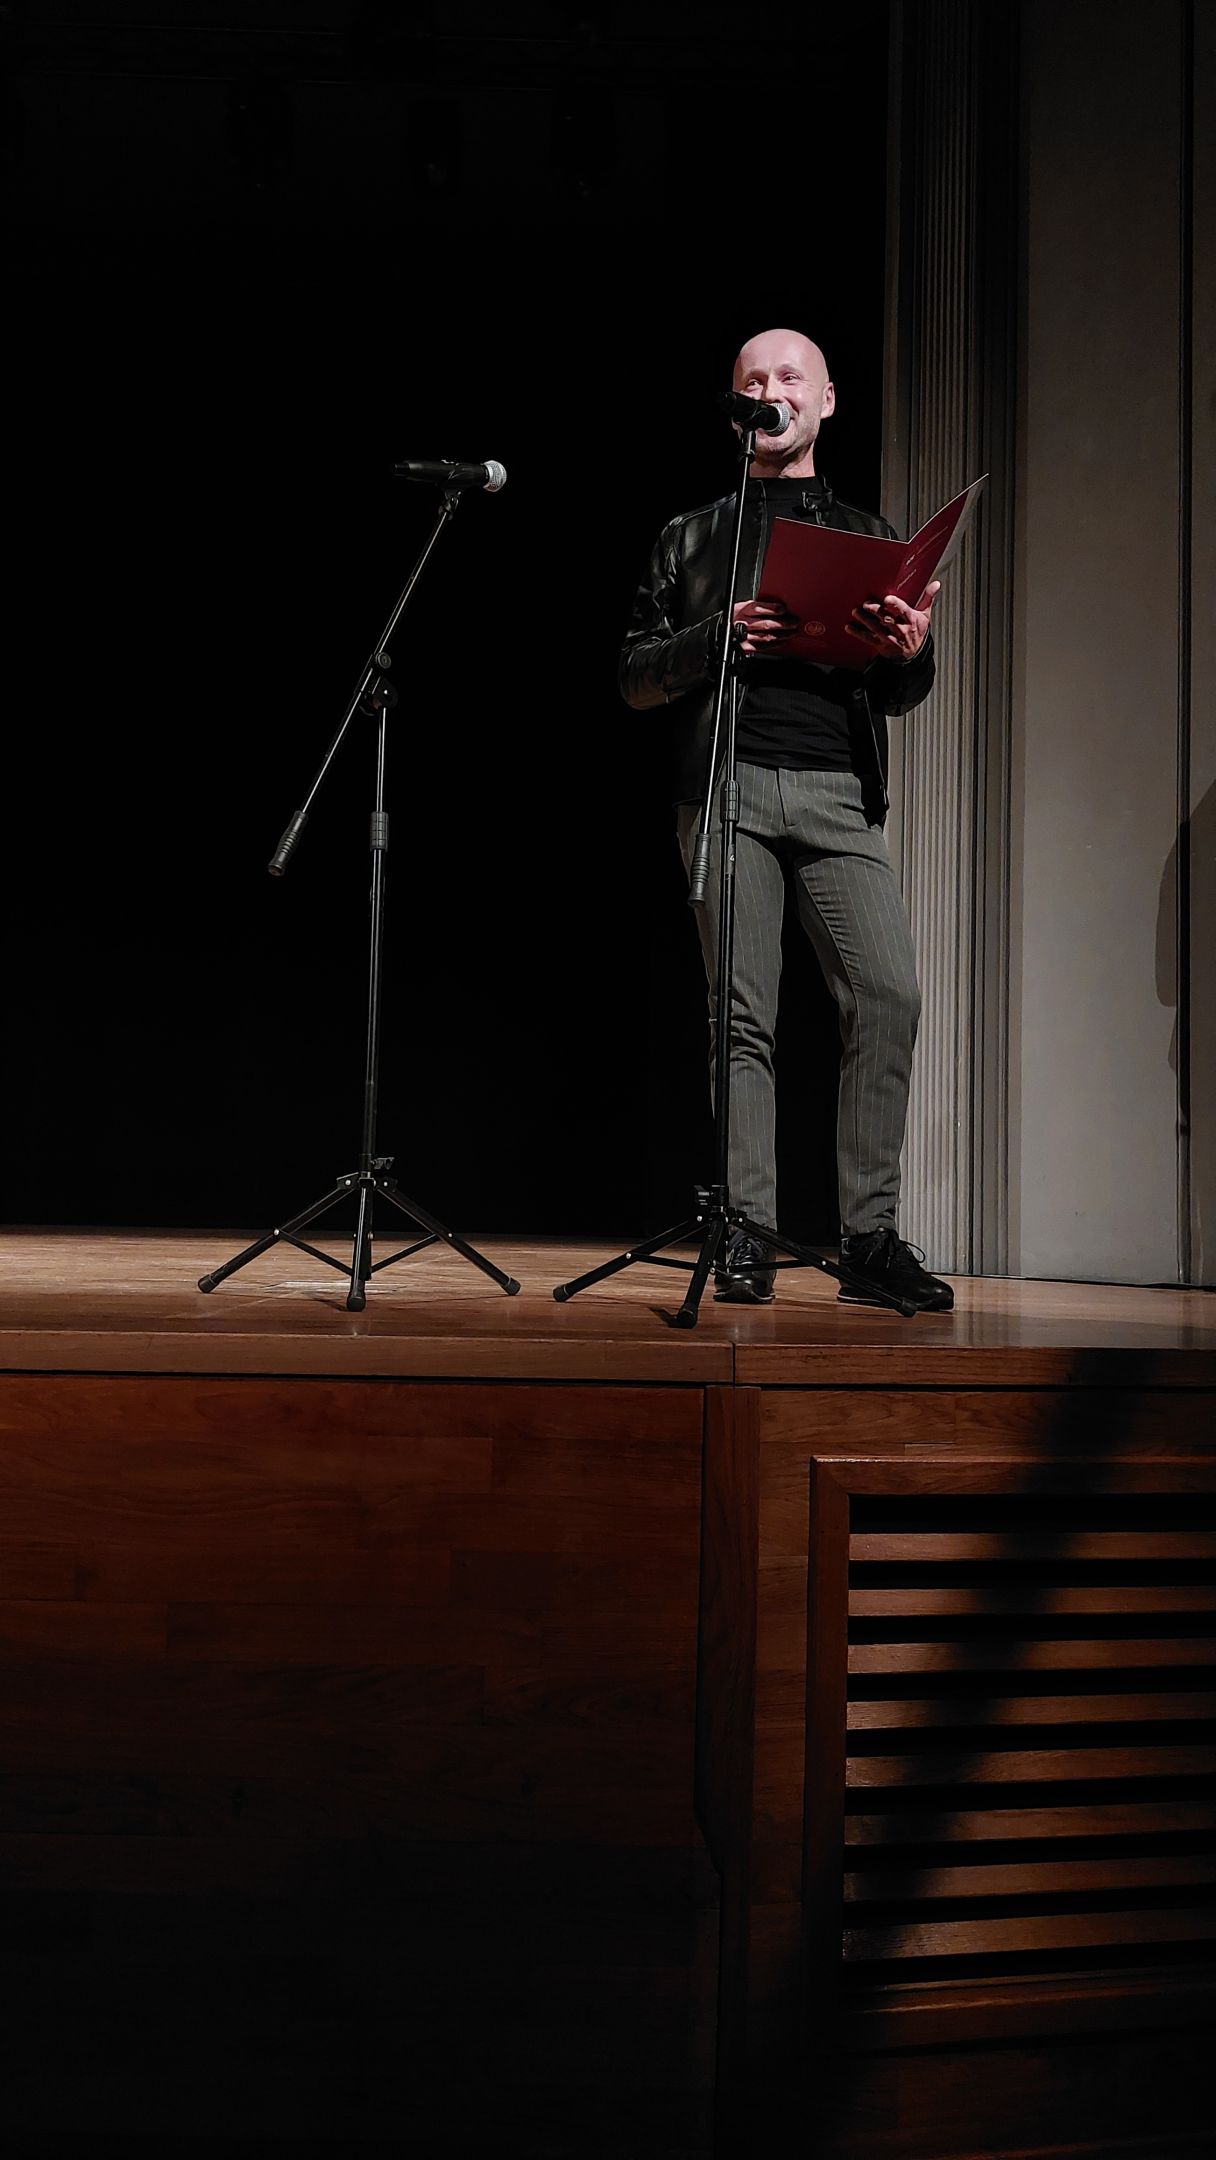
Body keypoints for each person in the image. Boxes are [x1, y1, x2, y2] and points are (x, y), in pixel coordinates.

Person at [619, 326, 953, 1312]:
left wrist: (909, 650)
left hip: (835, 792)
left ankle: (869, 1239)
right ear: (738, 405)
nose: (773, 390)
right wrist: (712, 637)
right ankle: (747, 1230)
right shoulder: (690, 538)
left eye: (790, 377)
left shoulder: (867, 531)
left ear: (826, 399)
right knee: (742, 1017)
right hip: (727, 786)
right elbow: (633, 675)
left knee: (887, 995)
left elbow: (900, 692)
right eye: (754, 379)